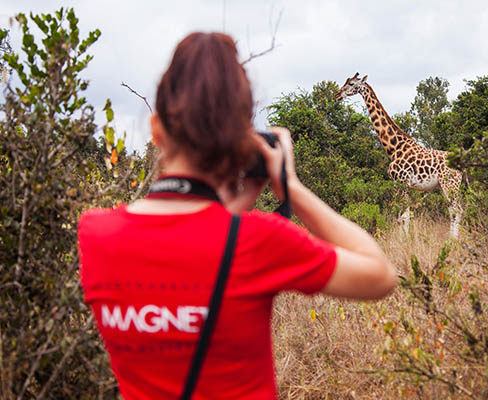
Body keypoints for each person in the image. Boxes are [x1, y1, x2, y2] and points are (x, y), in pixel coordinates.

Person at [78, 32, 396, 400]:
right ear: (242, 140)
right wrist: (290, 187)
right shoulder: (259, 241)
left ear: (156, 130)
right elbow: (380, 275)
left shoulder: (95, 232)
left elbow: (183, 250)